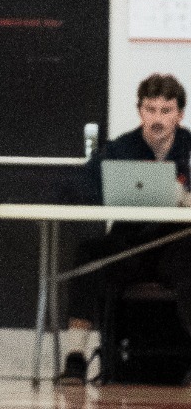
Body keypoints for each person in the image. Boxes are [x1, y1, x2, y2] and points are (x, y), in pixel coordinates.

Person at [68, 72, 191, 374]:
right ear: (140, 111)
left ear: (180, 114)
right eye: (150, 110)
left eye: (166, 110)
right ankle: (75, 357)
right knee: (89, 256)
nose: (157, 119)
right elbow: (78, 186)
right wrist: (105, 192)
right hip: (130, 243)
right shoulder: (119, 149)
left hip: (177, 244)